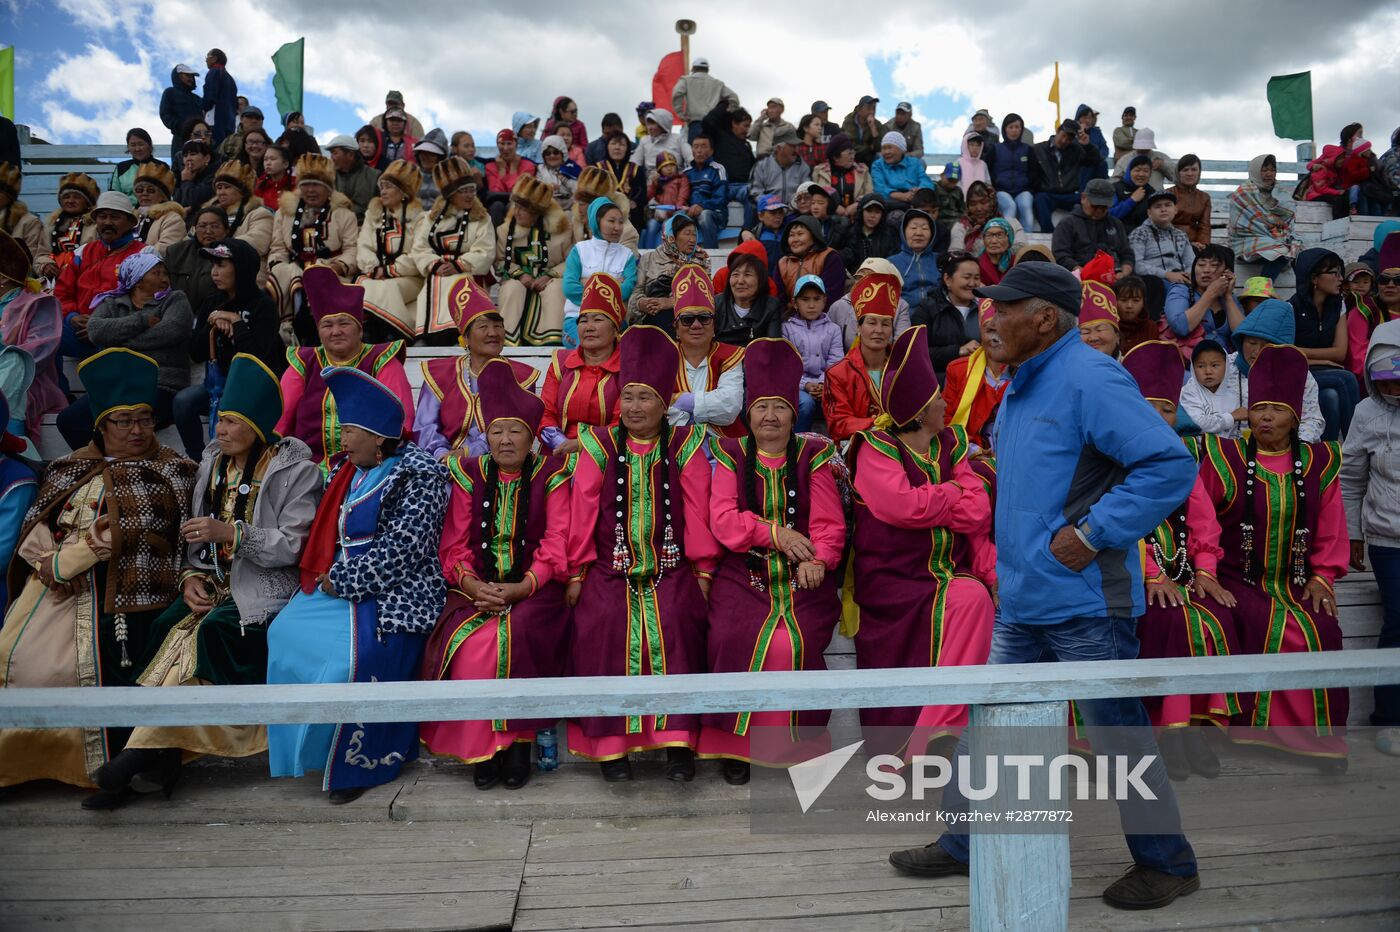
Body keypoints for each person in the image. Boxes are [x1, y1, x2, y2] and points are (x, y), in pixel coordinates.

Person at [889, 261, 1202, 912]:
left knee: (1118, 738)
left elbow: (1169, 465)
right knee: (990, 723)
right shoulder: (1026, 382)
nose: (989, 317)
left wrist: (1092, 533)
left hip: (1089, 603)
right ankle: (966, 842)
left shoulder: (1092, 377)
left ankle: (1168, 865)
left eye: (1004, 307)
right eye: (987, 305)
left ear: (1045, 318)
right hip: (1028, 597)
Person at [95, 353, 322, 805]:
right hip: (214, 583)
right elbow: (194, 544)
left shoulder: (296, 470)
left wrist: (234, 533)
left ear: (257, 426)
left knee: (213, 635)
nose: (219, 429)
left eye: (232, 421)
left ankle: (139, 755)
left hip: (264, 587)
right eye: (219, 419)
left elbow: (295, 546)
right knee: (164, 627)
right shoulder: (213, 463)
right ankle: (160, 759)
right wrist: (187, 578)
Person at [0, 348, 196, 807]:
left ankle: (116, 772)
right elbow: (35, 528)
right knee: (18, 658)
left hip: (133, 593)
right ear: (100, 426)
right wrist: (49, 563)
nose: (137, 430)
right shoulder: (67, 468)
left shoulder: (173, 471)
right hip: (55, 590)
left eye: (145, 419)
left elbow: (138, 535)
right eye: (123, 421)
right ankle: (21, 766)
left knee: (94, 663)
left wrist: (71, 559)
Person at [267, 364, 448, 805]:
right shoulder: (346, 470)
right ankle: (314, 751)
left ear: (378, 436)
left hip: (396, 592)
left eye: (350, 430)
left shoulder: (421, 473)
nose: (342, 439)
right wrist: (332, 580)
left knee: (351, 660)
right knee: (284, 632)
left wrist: (343, 581)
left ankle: (361, 763)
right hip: (340, 585)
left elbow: (406, 548)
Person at [564, 324, 719, 782]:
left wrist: (703, 572)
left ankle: (679, 746)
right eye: (627, 396)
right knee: (601, 626)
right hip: (606, 570)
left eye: (645, 397)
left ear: (664, 402)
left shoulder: (687, 444)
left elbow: (697, 511)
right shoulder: (597, 444)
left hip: (672, 568)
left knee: (678, 626)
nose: (634, 407)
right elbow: (583, 510)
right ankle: (611, 748)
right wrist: (576, 573)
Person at [417, 357, 569, 789]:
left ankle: (516, 744)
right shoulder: (468, 474)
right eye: (497, 430)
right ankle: (482, 748)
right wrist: (471, 584)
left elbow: (556, 543)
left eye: (515, 431)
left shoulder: (552, 476)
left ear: (531, 438)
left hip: (535, 591)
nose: (505, 440)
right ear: (486, 436)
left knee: (517, 636)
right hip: (473, 590)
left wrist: (523, 586)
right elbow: (455, 545)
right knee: (471, 646)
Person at [698, 338, 844, 782]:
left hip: (804, 580)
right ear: (748, 414)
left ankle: (796, 747)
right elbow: (723, 520)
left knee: (793, 642)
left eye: (779, 407)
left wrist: (821, 558)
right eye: (761, 407)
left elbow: (829, 523)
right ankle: (735, 749)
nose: (770, 417)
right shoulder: (731, 454)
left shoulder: (813, 455)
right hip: (744, 574)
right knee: (732, 635)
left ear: (793, 414)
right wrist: (776, 534)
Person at [1196, 344, 1349, 768]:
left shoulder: (1320, 462)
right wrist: (1203, 571)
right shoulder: (1223, 458)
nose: (1265, 417)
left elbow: (1333, 528)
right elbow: (1198, 519)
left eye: (1277, 410)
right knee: (1272, 624)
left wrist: (1322, 578)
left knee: (1323, 628)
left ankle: (1320, 742)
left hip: (1297, 581)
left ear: (1295, 417)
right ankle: (1253, 732)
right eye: (1259, 408)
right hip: (1236, 581)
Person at [847, 324, 995, 756]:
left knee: (973, 599)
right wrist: (950, 493)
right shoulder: (875, 447)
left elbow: (977, 512)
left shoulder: (951, 442)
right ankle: (914, 744)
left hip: (942, 574)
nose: (945, 402)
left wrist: (934, 501)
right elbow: (900, 507)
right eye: (936, 400)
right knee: (966, 601)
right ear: (917, 410)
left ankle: (941, 730)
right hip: (891, 579)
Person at [1120, 340, 1238, 779]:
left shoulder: (1184, 458)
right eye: (1148, 407)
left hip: (1185, 575)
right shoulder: (1112, 461)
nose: (1158, 418)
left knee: (1220, 614)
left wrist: (1206, 570)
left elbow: (1205, 523)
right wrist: (1151, 576)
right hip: (1132, 580)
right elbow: (1121, 529)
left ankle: (1197, 730)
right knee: (1169, 620)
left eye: (1167, 409)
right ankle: (1166, 734)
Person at [56, 250, 194, 452]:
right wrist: (142, 321)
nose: (165, 278)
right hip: (117, 384)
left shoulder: (175, 299)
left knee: (121, 421)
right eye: (157, 273)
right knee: (68, 420)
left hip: (161, 383)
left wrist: (118, 342)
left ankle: (120, 467)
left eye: (165, 273)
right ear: (138, 279)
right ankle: (108, 467)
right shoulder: (113, 303)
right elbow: (95, 331)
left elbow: (169, 332)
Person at [274, 267, 413, 468]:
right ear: (319, 332)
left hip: (368, 470)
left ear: (360, 328)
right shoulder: (304, 363)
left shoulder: (381, 360)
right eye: (327, 325)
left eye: (344, 323)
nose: (336, 331)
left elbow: (401, 421)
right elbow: (281, 418)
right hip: (307, 469)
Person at [1342, 320, 1400, 750]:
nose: (1394, 390)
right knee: (1397, 623)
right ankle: (1389, 717)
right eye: (1386, 383)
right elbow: (1351, 479)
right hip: (1387, 538)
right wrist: (1353, 535)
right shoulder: (1366, 412)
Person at [176, 237, 284, 460]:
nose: (214, 272)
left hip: (255, 388)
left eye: (221, 265)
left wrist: (236, 322)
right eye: (213, 265)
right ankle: (199, 460)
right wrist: (212, 321)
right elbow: (196, 352)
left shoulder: (263, 305)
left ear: (241, 268)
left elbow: (256, 358)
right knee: (183, 402)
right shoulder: (212, 302)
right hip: (219, 384)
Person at [413, 279, 540, 462]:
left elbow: (516, 428)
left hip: (499, 463)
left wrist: (466, 453)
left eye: (498, 326)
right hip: (442, 463)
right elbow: (426, 427)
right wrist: (442, 455)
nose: (493, 333)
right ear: (465, 337)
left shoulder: (521, 376)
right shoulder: (439, 374)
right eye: (483, 327)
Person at [1181, 298, 1326, 442]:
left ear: (1281, 348)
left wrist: (1297, 447)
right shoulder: (1221, 366)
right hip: (1223, 450)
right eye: (1251, 342)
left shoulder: (1299, 375)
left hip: (1278, 451)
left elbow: (1312, 419)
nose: (1256, 351)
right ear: (1241, 340)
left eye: (1265, 345)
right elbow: (1191, 409)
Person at [267, 154, 359, 344]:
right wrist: (279, 265)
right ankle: (286, 331)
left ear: (328, 189)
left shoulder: (344, 215)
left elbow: (351, 249)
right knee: (280, 275)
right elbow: (278, 247)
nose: (310, 190)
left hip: (331, 272)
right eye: (306, 184)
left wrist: (339, 267)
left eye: (316, 185)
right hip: (293, 272)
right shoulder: (283, 213)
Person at [411, 157, 495, 343]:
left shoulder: (482, 218)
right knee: (433, 283)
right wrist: (434, 265)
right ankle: (427, 334)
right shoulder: (431, 218)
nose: (468, 195)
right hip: (438, 270)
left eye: (471, 190)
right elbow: (419, 247)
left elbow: (485, 251)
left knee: (457, 282)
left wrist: (459, 265)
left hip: (468, 271)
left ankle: (455, 332)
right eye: (462, 191)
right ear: (450, 195)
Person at [540, 273, 624, 454]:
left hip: (608, 453)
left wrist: (582, 445)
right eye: (583, 320)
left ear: (615, 329)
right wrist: (561, 443)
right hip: (557, 451)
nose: (589, 327)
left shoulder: (626, 368)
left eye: (598, 320)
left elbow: (623, 423)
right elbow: (545, 414)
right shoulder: (561, 362)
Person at [349, 159, 424, 343]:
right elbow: (364, 245)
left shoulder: (420, 218)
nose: (382, 191)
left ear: (404, 191)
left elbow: (418, 254)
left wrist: (390, 270)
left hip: (410, 278)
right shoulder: (372, 214)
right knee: (367, 285)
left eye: (388, 186)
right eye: (381, 186)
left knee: (385, 287)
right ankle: (382, 333)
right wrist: (373, 267)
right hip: (375, 276)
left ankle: (391, 333)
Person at [495, 175, 574, 347]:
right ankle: (506, 341)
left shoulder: (562, 230)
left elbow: (571, 260)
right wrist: (520, 275)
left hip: (551, 278)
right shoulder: (505, 230)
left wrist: (550, 275)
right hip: (519, 279)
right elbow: (500, 260)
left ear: (538, 211)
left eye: (523, 208)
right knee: (512, 289)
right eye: (516, 205)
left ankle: (551, 341)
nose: (517, 211)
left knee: (556, 289)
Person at [1289, 248, 1360, 441]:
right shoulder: (1291, 308)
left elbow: (1339, 352)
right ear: (1314, 278)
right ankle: (1356, 448)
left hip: (1325, 373)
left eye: (1340, 273)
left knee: (1330, 397)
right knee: (1347, 379)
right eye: (1334, 273)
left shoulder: (1338, 306)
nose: (1340, 279)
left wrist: (1304, 353)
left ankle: (1328, 455)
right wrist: (1324, 361)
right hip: (1298, 376)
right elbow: (1288, 356)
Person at [0, 231, 66, 438]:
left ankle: (8, 443)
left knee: (14, 360)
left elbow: (37, 353)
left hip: (24, 383)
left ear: (3, 278)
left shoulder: (38, 303)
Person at [667, 264, 744, 439]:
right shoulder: (663, 356)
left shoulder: (730, 356)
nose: (696, 325)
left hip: (723, 445)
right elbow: (656, 408)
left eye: (704, 318)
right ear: (676, 328)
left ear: (713, 325)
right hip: (674, 444)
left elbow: (729, 407)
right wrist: (705, 407)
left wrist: (678, 400)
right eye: (687, 320)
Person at [823, 273, 899, 442]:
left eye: (886, 324)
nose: (879, 330)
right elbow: (838, 424)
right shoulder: (838, 373)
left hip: (902, 444)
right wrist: (876, 424)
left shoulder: (903, 368)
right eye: (872, 323)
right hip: (857, 447)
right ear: (858, 327)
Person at [563, 197, 637, 347]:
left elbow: (628, 289)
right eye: (611, 221)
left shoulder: (627, 255)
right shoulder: (579, 250)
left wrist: (589, 283)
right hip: (577, 318)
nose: (617, 227)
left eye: (620, 222)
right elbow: (569, 288)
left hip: (614, 321)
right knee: (586, 347)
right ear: (597, 222)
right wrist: (613, 285)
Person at [942, 300, 1009, 450]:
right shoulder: (958, 370)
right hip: (972, 454)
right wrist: (972, 450)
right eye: (990, 330)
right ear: (980, 331)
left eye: (1002, 330)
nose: (995, 337)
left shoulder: (1023, 369)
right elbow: (946, 419)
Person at [784, 276, 845, 431]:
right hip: (796, 386)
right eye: (805, 299)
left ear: (824, 301)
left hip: (828, 385)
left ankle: (836, 447)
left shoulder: (833, 329)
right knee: (805, 403)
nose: (811, 305)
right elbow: (786, 367)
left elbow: (836, 364)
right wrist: (806, 385)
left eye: (817, 299)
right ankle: (798, 446)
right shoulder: (786, 328)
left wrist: (822, 384)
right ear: (795, 302)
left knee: (841, 402)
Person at [628, 213, 706, 334]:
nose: (693, 239)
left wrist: (670, 302)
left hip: (687, 318)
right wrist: (642, 304)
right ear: (672, 236)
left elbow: (705, 297)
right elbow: (636, 292)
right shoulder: (649, 259)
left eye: (694, 234)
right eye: (687, 233)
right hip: (651, 316)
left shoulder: (700, 259)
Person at [914, 250, 983, 378]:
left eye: (977, 278)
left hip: (978, 380)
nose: (973, 283)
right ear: (947, 279)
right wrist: (958, 350)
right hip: (940, 384)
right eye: (967, 277)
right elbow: (917, 353)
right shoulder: (927, 309)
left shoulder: (985, 307)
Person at [1229, 155, 1297, 282]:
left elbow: (1289, 214)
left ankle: (1261, 288)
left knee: (1295, 249)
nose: (1269, 174)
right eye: (1264, 170)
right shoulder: (1244, 192)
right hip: (1247, 239)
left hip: (1274, 237)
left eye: (1272, 170)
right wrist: (1271, 218)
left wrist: (1277, 222)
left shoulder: (1279, 191)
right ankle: (1261, 289)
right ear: (1256, 171)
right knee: (1281, 252)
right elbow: (1240, 224)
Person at [1031, 118, 1105, 234]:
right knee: (1040, 199)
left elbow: (1096, 161)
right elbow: (1033, 174)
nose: (1065, 140)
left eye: (1069, 138)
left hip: (1070, 194)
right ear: (1057, 131)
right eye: (1063, 135)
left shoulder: (1076, 150)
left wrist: (1087, 146)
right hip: (1048, 193)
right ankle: (1050, 234)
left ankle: (1086, 235)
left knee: (1088, 201)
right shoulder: (1038, 149)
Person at [829, 258, 913, 350]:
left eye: (870, 277)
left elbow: (901, 346)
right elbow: (831, 347)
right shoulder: (839, 306)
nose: (862, 282)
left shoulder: (900, 306)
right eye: (859, 277)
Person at [712, 240, 784, 346]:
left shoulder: (771, 307)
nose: (740, 281)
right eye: (735, 274)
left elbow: (772, 348)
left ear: (761, 279)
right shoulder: (716, 304)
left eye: (747, 274)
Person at [1051, 179, 1132, 274]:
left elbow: (1127, 254)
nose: (1099, 211)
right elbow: (1060, 255)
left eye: (1104, 207)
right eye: (1094, 206)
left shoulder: (1116, 224)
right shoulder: (1067, 223)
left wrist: (1124, 273)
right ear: (1083, 198)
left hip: (1113, 275)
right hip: (1078, 277)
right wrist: (1081, 271)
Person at [209, 160, 274, 274]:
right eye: (219, 188)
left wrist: (216, 249)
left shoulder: (259, 213)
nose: (221, 192)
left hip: (246, 274)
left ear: (242, 191)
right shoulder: (208, 215)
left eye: (227, 187)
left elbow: (258, 242)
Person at [777, 215, 844, 306]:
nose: (795, 240)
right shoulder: (782, 263)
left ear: (814, 235)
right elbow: (780, 300)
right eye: (791, 235)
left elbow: (832, 295)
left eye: (800, 234)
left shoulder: (830, 257)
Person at [1130, 192, 1194, 282]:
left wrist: (1187, 275)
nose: (1163, 209)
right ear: (1149, 213)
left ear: (1175, 210)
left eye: (1168, 205)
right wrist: (1166, 275)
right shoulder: (1139, 233)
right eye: (1158, 206)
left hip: (1180, 279)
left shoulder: (1181, 235)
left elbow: (1191, 263)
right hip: (1154, 281)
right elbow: (1136, 265)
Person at [671, 58, 740, 140]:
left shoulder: (686, 80)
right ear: (707, 69)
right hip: (713, 124)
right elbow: (734, 97)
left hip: (695, 123)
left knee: (696, 151)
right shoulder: (717, 83)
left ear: (693, 68)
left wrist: (680, 114)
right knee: (711, 151)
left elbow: (676, 93)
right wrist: (731, 110)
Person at [989, 113, 1035, 232]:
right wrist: (994, 187)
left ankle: (1026, 244)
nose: (1014, 130)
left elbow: (1034, 172)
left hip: (1023, 190)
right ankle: (1005, 238)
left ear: (1021, 129)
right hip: (1001, 190)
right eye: (1011, 127)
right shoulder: (995, 148)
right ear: (1005, 129)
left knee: (1025, 206)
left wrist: (1029, 186)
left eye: (1017, 127)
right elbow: (988, 169)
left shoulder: (1028, 149)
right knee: (1010, 206)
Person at [126, 162, 184, 257]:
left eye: (150, 190)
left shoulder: (172, 218)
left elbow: (167, 248)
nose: (144, 193)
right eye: (139, 190)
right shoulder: (130, 217)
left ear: (163, 196)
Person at [594, 131, 647, 232]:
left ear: (627, 149)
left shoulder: (636, 169)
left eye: (622, 144)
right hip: (603, 208)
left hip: (629, 212)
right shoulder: (598, 168)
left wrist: (633, 202)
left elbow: (641, 193)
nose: (617, 148)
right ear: (607, 147)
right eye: (613, 143)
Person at [949, 182, 1022, 254]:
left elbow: (1021, 251)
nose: (979, 208)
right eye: (973, 204)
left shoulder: (1012, 224)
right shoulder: (961, 227)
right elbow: (955, 254)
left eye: (984, 202)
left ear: (993, 202)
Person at [890, 208, 943, 310]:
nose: (919, 233)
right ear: (903, 232)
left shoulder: (941, 260)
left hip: (937, 316)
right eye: (913, 228)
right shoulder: (891, 263)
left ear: (932, 233)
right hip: (903, 318)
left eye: (925, 228)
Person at [812, 135, 873, 222]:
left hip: (857, 219)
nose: (853, 157)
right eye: (849, 153)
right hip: (829, 220)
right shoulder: (820, 172)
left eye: (853, 152)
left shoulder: (862, 171)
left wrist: (857, 205)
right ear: (835, 157)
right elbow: (817, 198)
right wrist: (834, 206)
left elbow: (870, 194)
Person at [682, 135, 727, 249]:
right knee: (675, 218)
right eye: (696, 147)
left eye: (703, 146)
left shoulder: (718, 169)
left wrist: (701, 206)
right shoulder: (686, 173)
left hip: (715, 214)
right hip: (691, 214)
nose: (699, 150)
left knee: (704, 215)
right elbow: (681, 196)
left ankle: (710, 256)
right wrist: (684, 207)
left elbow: (720, 198)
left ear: (711, 150)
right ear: (692, 150)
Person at [750, 130, 810, 208]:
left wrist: (792, 208)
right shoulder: (762, 165)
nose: (796, 150)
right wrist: (772, 207)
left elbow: (806, 193)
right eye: (792, 146)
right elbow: (754, 194)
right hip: (769, 212)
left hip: (794, 212)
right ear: (779, 148)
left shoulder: (802, 166)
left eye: (797, 146)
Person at [327, 135, 380, 223]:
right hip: (335, 229)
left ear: (350, 155)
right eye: (331, 153)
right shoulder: (328, 177)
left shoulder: (375, 176)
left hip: (365, 229)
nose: (332, 158)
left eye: (335, 153)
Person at [871, 131, 932, 207]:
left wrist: (919, 190)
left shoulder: (915, 163)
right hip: (889, 203)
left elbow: (927, 182)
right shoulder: (878, 165)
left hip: (914, 201)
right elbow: (879, 188)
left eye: (890, 147)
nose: (886, 152)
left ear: (902, 149)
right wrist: (901, 196)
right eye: (884, 148)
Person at [643, 152, 690, 248]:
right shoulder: (657, 181)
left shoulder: (681, 179)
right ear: (659, 169)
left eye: (672, 165)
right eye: (665, 166)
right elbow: (648, 197)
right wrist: (653, 184)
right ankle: (648, 252)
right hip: (659, 214)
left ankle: (667, 253)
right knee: (651, 225)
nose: (669, 168)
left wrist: (672, 211)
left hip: (675, 212)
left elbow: (682, 197)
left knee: (667, 225)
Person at [631, 109, 692, 184]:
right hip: (653, 184)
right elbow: (634, 163)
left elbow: (691, 158)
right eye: (648, 124)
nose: (649, 128)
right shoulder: (644, 141)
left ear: (663, 124)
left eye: (653, 124)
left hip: (677, 183)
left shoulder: (678, 139)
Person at [108, 128, 164, 204]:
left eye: (141, 144)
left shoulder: (161, 166)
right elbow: (113, 195)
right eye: (133, 145)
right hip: (127, 212)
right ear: (128, 147)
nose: (137, 149)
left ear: (149, 145)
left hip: (156, 211)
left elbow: (166, 196)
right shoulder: (121, 167)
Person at [160, 64, 204, 158]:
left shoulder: (197, 98)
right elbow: (165, 114)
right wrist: (181, 127)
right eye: (187, 75)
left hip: (199, 139)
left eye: (192, 76)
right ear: (178, 76)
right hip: (180, 139)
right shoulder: (170, 92)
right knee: (180, 167)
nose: (191, 78)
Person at [1168, 154, 1211, 249]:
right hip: (1170, 242)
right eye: (1185, 170)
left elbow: (1204, 226)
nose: (1190, 173)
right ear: (1178, 173)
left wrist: (1203, 244)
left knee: (1225, 254)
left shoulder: (1204, 197)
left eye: (1194, 170)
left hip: (1196, 244)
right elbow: (1163, 224)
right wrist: (1186, 243)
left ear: (1199, 172)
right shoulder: (1168, 194)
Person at [1111, 128, 1177, 190]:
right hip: (1131, 198)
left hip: (1156, 199)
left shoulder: (1161, 157)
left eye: (1146, 148)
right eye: (1140, 147)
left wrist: (1164, 165)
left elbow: (1178, 178)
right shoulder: (1124, 160)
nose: (1143, 149)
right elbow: (1114, 182)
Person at [201, 49, 238, 146]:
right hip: (229, 124)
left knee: (214, 152)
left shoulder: (214, 71)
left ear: (214, 59)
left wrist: (203, 108)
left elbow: (210, 96)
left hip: (215, 121)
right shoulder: (230, 79)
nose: (206, 60)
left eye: (207, 57)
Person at [1111, 155, 1157, 231]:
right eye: (1137, 170)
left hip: (1144, 236)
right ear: (1129, 171)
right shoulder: (1116, 188)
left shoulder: (1152, 193)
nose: (1141, 174)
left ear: (1150, 173)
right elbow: (1110, 215)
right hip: (1118, 234)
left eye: (1145, 171)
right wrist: (1131, 200)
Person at [536, 135, 580, 213]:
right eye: (547, 153)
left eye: (556, 152)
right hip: (548, 208)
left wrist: (565, 180)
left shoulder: (572, 168)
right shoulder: (540, 169)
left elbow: (578, 190)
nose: (552, 156)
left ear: (563, 153)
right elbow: (537, 190)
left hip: (570, 207)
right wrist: (548, 188)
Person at [1078, 279, 1121, 357]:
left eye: (1100, 329)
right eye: (1085, 332)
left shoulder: (1131, 367)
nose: (1093, 338)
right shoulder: (1066, 368)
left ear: (1117, 336)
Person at [840, 95, 882, 166]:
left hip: (869, 158)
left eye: (874, 109)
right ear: (859, 110)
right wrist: (869, 149)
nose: (872, 112)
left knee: (879, 157)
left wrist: (872, 128)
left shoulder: (877, 124)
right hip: (852, 155)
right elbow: (849, 143)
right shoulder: (849, 121)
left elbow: (878, 147)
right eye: (869, 108)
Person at [975, 217, 1015, 286]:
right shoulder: (976, 264)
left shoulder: (1016, 262)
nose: (994, 241)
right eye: (988, 235)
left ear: (1009, 238)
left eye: (999, 235)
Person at [254, 144, 295, 210]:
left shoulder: (295, 185)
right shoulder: (260, 186)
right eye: (265, 159)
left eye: (272, 159)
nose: (268, 163)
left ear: (285, 164)